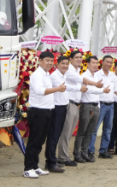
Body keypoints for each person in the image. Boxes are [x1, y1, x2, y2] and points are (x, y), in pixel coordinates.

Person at [25, 51, 64, 179]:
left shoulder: (47, 74)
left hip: (47, 110)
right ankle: (28, 168)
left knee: (40, 141)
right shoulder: (37, 74)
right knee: (34, 141)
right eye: (47, 60)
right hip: (38, 111)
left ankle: (35, 166)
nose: (50, 63)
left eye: (51, 61)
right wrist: (57, 89)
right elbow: (39, 91)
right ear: (40, 60)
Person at [73, 56, 104, 162]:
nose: (95, 65)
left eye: (97, 63)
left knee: (90, 131)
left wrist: (100, 90)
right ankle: (77, 153)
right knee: (82, 131)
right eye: (93, 63)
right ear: (88, 64)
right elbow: (89, 90)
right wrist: (102, 90)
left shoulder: (96, 76)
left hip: (96, 105)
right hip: (87, 105)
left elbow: (97, 89)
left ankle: (84, 152)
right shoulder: (84, 76)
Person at [58, 51, 86, 168]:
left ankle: (64, 156)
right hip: (69, 104)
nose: (79, 59)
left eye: (80, 57)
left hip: (75, 104)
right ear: (71, 59)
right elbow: (82, 82)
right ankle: (63, 157)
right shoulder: (69, 71)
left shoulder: (76, 71)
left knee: (69, 132)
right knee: (66, 132)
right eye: (77, 57)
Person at [44, 54, 71, 174]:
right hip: (57, 108)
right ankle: (50, 162)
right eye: (63, 64)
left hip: (63, 107)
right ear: (57, 65)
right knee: (53, 136)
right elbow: (66, 87)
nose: (65, 66)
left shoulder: (63, 76)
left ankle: (52, 160)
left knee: (57, 135)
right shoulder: (55, 76)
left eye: (67, 64)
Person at [92, 56, 117, 159]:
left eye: (111, 62)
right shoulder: (97, 75)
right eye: (107, 62)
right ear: (102, 62)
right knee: (95, 129)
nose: (109, 64)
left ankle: (103, 150)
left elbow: (114, 90)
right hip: (100, 104)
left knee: (108, 129)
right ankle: (90, 151)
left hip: (110, 104)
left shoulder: (113, 75)